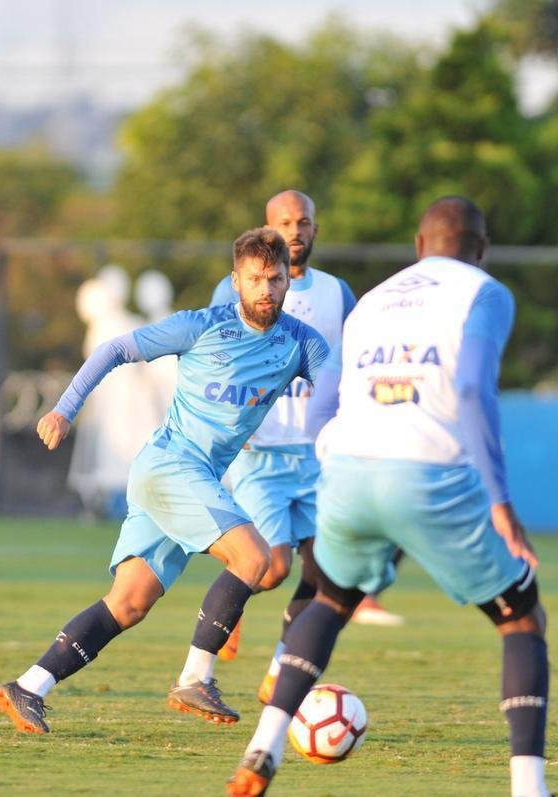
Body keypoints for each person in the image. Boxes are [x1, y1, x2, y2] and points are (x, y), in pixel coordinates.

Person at [227, 197, 550, 797]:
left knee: (330, 599)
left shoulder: (372, 299)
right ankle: (530, 788)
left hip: (348, 471)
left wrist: (339, 467)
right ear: (479, 250)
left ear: (418, 246)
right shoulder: (484, 292)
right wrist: (502, 505)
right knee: (521, 619)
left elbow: (324, 405)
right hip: (428, 473)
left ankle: (263, 746)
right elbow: (476, 391)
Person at [0, 227, 329, 733]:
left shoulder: (302, 344)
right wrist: (65, 410)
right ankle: (196, 677)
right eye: (256, 278)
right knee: (256, 559)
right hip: (171, 466)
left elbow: (340, 395)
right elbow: (113, 350)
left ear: (288, 282)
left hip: (187, 479)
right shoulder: (200, 326)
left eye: (276, 279)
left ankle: (29, 686)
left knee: (128, 604)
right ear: (235, 280)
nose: (266, 288)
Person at [204, 190, 354, 699]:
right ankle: (232, 593)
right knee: (273, 568)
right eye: (284, 222)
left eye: (304, 221)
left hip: (318, 454)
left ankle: (279, 670)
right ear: (267, 228)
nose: (295, 230)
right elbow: (211, 360)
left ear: (315, 227)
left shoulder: (337, 292)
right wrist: (228, 425)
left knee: (328, 571)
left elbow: (351, 365)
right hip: (260, 451)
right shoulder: (237, 292)